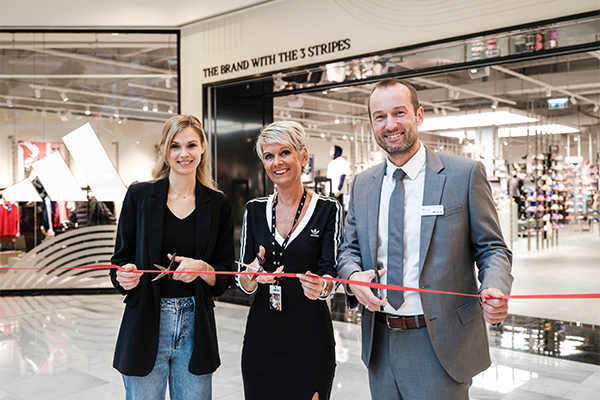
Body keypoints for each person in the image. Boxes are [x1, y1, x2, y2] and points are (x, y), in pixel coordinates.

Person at [336, 78, 513, 400]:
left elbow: (492, 247)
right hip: (380, 341)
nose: (390, 125)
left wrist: (495, 285)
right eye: (380, 116)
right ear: (371, 123)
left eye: (399, 113)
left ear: (419, 116)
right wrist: (352, 276)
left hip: (441, 342)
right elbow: (348, 249)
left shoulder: (463, 174)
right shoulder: (362, 184)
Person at [109, 114, 235, 400]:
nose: (183, 153)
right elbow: (120, 260)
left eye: (191, 145)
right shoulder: (139, 196)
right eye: (175, 146)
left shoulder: (217, 204)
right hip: (146, 321)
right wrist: (124, 275)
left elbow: (224, 272)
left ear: (203, 148)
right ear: (164, 150)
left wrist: (202, 268)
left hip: (195, 324)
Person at [237, 121, 343, 400]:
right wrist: (252, 275)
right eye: (269, 156)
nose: (277, 162)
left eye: (284, 152)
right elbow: (244, 278)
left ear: (303, 156)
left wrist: (322, 287)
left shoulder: (327, 209)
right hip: (262, 337)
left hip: (309, 336)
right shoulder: (255, 210)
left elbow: (330, 273)